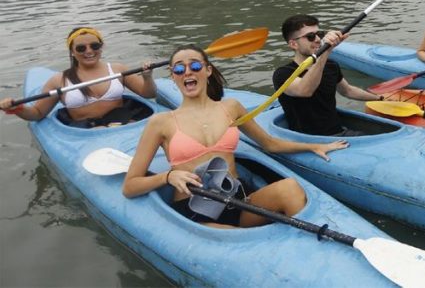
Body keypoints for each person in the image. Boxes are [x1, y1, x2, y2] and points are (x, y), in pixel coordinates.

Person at [123, 44, 347, 227]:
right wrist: (167, 177)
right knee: (231, 235)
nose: (187, 72)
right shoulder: (160, 122)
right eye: (179, 69)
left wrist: (312, 146)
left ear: (208, 70)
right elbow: (130, 186)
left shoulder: (231, 107)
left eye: (194, 65)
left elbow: (269, 143)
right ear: (173, 77)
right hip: (196, 209)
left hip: (238, 199)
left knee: (289, 188)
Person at [1, 27, 156, 126]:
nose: (89, 51)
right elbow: (37, 114)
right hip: (85, 131)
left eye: (95, 46)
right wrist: (18, 109)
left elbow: (148, 94)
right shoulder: (59, 81)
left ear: (102, 47)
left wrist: (147, 77)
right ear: (72, 52)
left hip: (121, 122)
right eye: (81, 48)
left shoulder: (118, 69)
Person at [273, 15, 382, 136]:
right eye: (310, 37)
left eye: (319, 34)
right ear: (294, 44)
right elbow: (304, 90)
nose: (318, 39)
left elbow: (348, 91)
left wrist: (380, 98)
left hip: (338, 132)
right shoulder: (283, 74)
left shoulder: (330, 65)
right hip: (309, 140)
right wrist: (325, 52)